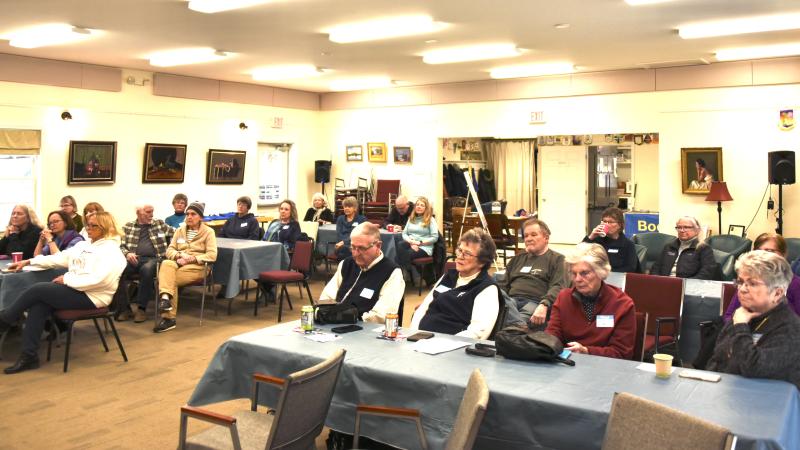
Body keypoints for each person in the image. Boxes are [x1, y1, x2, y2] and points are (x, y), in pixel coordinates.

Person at [0, 211, 126, 374]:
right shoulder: (85, 245)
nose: (88, 228)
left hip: (93, 297)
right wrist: (28, 261)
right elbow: (60, 258)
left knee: (39, 289)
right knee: (39, 304)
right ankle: (29, 356)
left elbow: (99, 280)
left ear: (105, 227)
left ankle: (5, 320)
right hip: (76, 289)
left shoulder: (112, 251)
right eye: (87, 225)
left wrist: (67, 279)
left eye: (93, 226)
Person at [707, 251, 800, 389]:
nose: (742, 289)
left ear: (777, 293)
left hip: (769, 397)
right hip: (730, 392)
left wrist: (740, 327)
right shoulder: (743, 314)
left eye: (752, 283)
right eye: (740, 282)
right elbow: (717, 359)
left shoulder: (791, 328)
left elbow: (753, 368)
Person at [545, 243, 636, 359]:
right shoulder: (564, 298)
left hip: (605, 366)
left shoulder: (622, 304)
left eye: (584, 273)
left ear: (601, 272)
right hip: (568, 363)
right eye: (574, 273)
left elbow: (622, 352)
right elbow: (552, 334)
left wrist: (587, 351)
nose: (577, 279)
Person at [410, 228, 500, 340]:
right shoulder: (449, 276)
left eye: (467, 254)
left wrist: (441, 344)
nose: (460, 256)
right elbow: (423, 308)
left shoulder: (487, 288)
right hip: (421, 339)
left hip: (451, 346)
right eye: (459, 250)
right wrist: (413, 334)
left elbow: (478, 332)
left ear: (482, 262)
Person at [317, 222, 404, 323]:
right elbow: (327, 296)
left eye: (362, 248)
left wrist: (346, 318)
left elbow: (381, 316)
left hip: (364, 328)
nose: (355, 253)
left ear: (378, 245)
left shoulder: (392, 272)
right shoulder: (346, 263)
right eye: (353, 247)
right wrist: (322, 312)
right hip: (334, 323)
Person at [155, 201, 217, 333]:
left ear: (200, 217)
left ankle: (168, 318)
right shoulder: (180, 230)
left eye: (193, 214)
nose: (189, 217)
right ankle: (165, 299)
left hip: (198, 267)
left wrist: (193, 258)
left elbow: (212, 255)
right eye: (187, 214)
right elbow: (169, 250)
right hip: (179, 263)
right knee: (166, 263)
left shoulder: (209, 232)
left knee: (169, 280)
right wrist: (179, 255)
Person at [116, 204, 175, 323]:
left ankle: (141, 309)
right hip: (134, 259)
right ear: (138, 213)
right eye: (148, 212)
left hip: (155, 258)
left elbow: (177, 232)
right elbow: (120, 245)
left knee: (146, 270)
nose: (151, 215)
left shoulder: (159, 224)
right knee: (117, 270)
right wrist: (127, 253)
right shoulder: (128, 227)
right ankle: (125, 308)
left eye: (152, 211)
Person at [503, 218, 566, 328]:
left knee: (507, 324)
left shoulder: (558, 260)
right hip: (511, 302)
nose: (528, 239)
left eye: (533, 235)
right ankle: (518, 326)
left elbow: (558, 286)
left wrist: (544, 304)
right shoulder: (517, 259)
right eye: (526, 236)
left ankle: (517, 327)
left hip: (535, 303)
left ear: (546, 238)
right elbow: (503, 285)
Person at [724, 233, 800, 322]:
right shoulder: (746, 281)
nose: (762, 255)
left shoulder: (795, 283)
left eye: (769, 251)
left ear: (783, 255)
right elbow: (728, 316)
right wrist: (738, 323)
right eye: (758, 251)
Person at [650, 216, 718, 280]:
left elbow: (706, 273)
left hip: (688, 285)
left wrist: (686, 284)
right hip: (664, 283)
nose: (682, 230)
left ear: (697, 230)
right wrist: (657, 281)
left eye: (686, 227)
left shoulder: (703, 249)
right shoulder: (669, 247)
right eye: (679, 227)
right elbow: (656, 268)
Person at [582, 207, 639, 273]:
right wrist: (591, 237)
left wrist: (607, 273)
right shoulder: (597, 240)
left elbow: (631, 268)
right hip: (596, 276)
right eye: (604, 221)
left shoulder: (628, 244)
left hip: (617, 277)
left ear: (620, 225)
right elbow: (579, 255)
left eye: (610, 222)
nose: (606, 224)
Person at [398, 196, 438, 270]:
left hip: (424, 247)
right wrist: (411, 242)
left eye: (422, 205)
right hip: (412, 243)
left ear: (426, 208)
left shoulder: (430, 219)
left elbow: (435, 237)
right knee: (400, 245)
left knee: (406, 254)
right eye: (417, 205)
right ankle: (406, 273)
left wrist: (419, 243)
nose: (419, 207)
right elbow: (404, 233)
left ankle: (406, 274)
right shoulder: (411, 218)